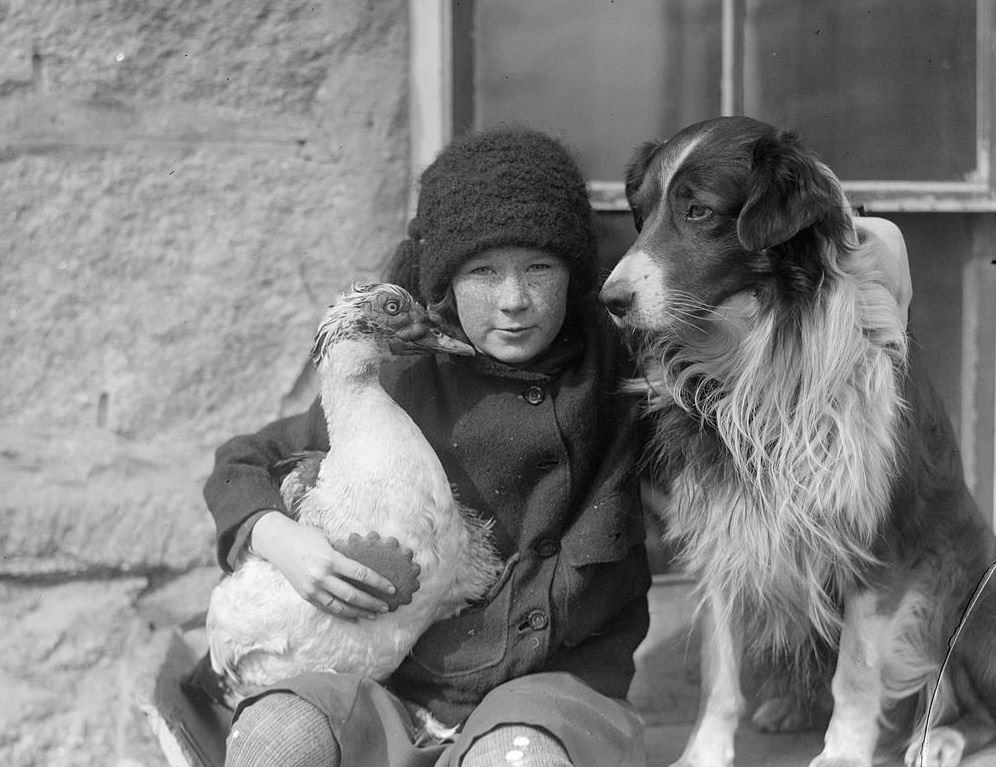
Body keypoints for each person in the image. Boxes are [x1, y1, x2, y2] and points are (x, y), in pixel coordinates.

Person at [204, 127, 653, 767]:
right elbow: (242, 463)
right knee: (279, 739)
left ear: (575, 274)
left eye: (540, 267)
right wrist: (280, 538)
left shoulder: (622, 372)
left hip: (554, 689)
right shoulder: (398, 376)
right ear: (443, 278)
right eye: (482, 271)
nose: (514, 301)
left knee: (517, 761)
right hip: (399, 683)